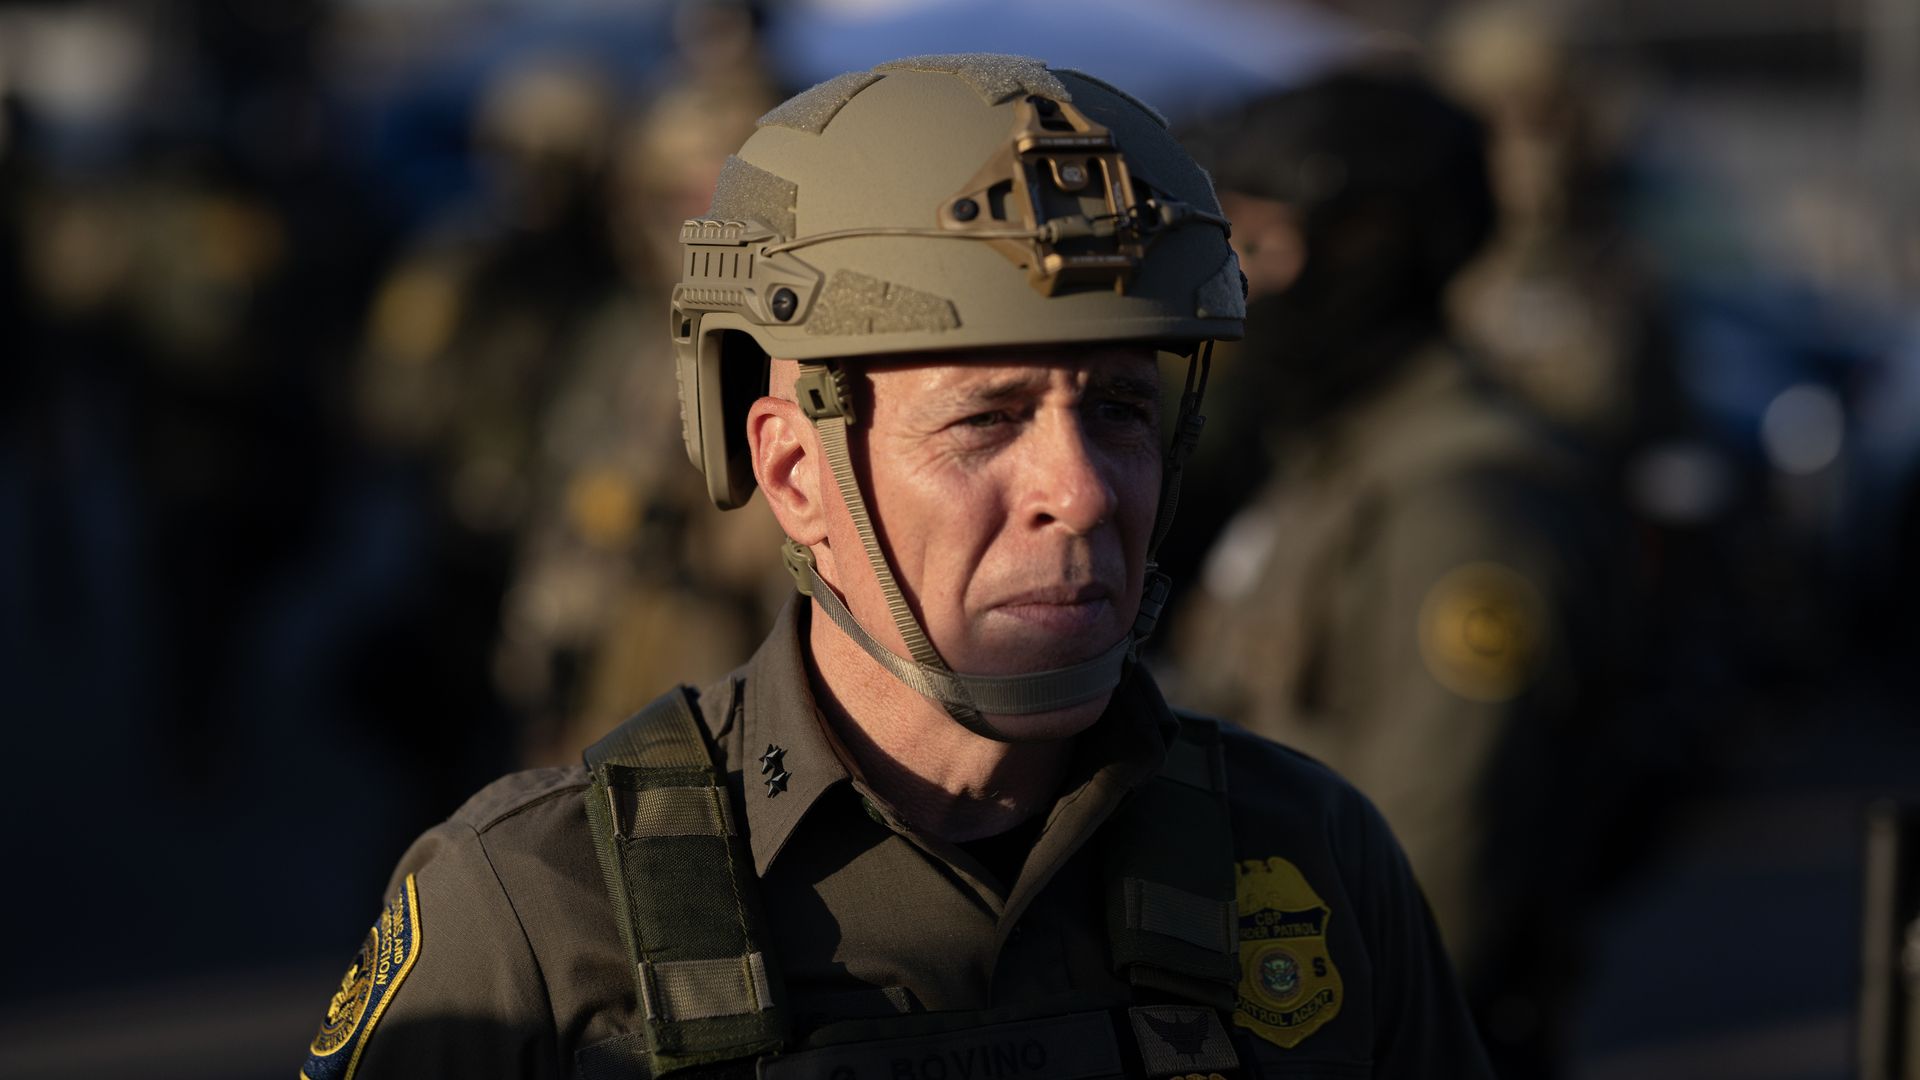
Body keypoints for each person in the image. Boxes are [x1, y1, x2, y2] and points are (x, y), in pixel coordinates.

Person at [301, 55, 1493, 1079]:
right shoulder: (531, 910)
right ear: (794, 472)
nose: (1080, 490)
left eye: (1121, 410)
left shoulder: (1312, 858)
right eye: (987, 420)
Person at [1173, 69, 1639, 1074]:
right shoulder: (1332, 462)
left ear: (1370, 248)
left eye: (1266, 246)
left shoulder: (1464, 510)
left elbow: (1439, 867)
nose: (1243, 285)